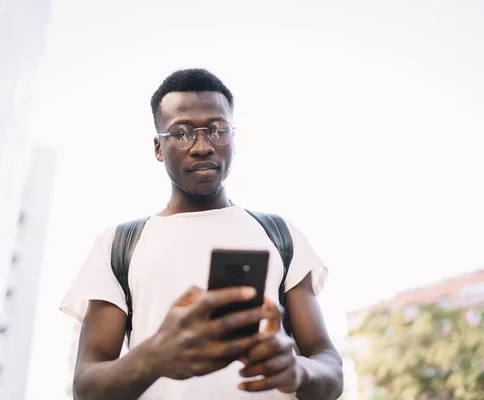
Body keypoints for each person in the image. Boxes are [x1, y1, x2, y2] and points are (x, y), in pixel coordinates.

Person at [60, 68, 343, 399]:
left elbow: (330, 369)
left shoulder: (280, 234)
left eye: (217, 130)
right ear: (157, 148)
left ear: (233, 138)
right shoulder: (119, 244)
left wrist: (299, 371)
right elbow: (87, 387)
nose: (202, 146)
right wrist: (154, 358)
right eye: (181, 134)